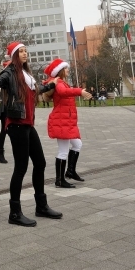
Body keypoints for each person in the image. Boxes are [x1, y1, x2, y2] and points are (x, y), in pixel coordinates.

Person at [0, 42, 61, 227]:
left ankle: (41, 206)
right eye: (21, 51)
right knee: (21, 167)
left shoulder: (27, 74)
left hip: (28, 124)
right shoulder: (10, 72)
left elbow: (35, 91)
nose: (24, 53)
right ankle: (14, 213)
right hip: (17, 124)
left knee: (40, 162)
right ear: (14, 55)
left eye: (25, 50)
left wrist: (50, 84)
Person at [44, 59, 92, 188]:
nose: (67, 70)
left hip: (65, 121)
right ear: (59, 71)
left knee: (77, 144)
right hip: (61, 121)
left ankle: (70, 171)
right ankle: (59, 180)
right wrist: (79, 91)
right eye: (65, 68)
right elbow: (63, 93)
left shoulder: (62, 82)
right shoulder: (58, 82)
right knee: (63, 151)